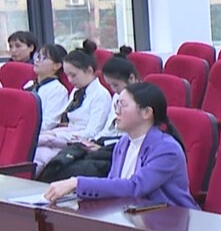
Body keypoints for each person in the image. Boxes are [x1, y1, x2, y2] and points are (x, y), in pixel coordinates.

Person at [42, 83, 198, 208]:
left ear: (146, 113)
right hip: (131, 216)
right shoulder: (123, 143)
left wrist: (77, 183)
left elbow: (135, 187)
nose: (116, 111)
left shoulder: (167, 149)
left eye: (123, 105)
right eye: (116, 105)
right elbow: (113, 183)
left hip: (169, 221)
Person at [33, 49, 112, 169]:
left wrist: (58, 136)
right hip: (68, 134)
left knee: (41, 151)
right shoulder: (76, 91)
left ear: (89, 70)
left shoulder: (100, 95)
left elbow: (92, 132)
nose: (69, 80)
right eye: (67, 75)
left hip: (80, 141)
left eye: (73, 75)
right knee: (35, 147)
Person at [24, 44, 70, 133]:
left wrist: (24, 129)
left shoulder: (58, 90)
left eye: (43, 58)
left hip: (41, 134)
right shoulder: (29, 84)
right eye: (38, 56)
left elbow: (49, 123)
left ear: (57, 66)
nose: (37, 60)